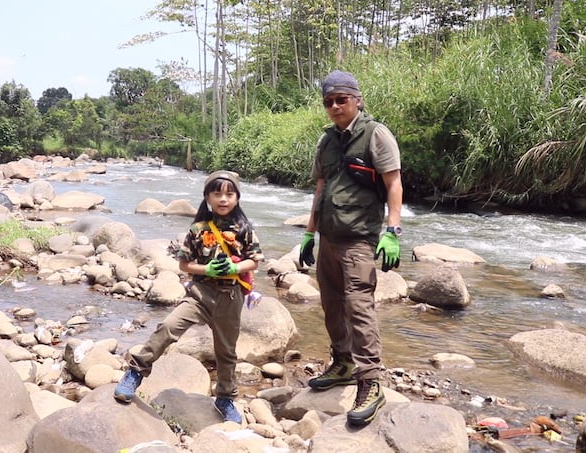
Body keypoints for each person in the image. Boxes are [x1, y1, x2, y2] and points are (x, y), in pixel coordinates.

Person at [114, 170, 264, 424]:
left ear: (237, 198)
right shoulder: (197, 229)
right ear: (207, 197)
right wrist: (207, 269)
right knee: (168, 326)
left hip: (230, 298)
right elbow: (184, 264)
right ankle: (136, 372)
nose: (223, 199)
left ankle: (225, 398)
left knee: (226, 352)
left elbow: (255, 261)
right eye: (217, 194)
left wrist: (235, 267)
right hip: (199, 295)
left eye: (229, 194)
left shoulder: (245, 229)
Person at [299, 70, 403, 427]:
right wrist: (309, 233)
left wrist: (393, 231)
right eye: (328, 101)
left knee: (359, 309)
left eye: (341, 99)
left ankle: (370, 382)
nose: (334, 106)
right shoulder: (326, 141)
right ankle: (343, 363)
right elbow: (320, 187)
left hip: (359, 239)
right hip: (329, 237)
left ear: (357, 100)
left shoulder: (376, 135)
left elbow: (394, 183)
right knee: (331, 305)